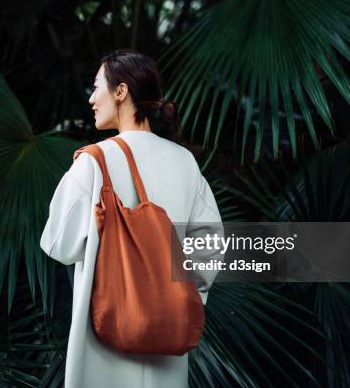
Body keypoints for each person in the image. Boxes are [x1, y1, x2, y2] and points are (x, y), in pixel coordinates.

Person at [40, 49, 223, 388]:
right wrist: (179, 297)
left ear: (121, 91)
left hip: (105, 346)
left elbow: (57, 244)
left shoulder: (94, 162)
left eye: (97, 87)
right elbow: (211, 244)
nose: (92, 99)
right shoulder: (184, 163)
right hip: (167, 348)